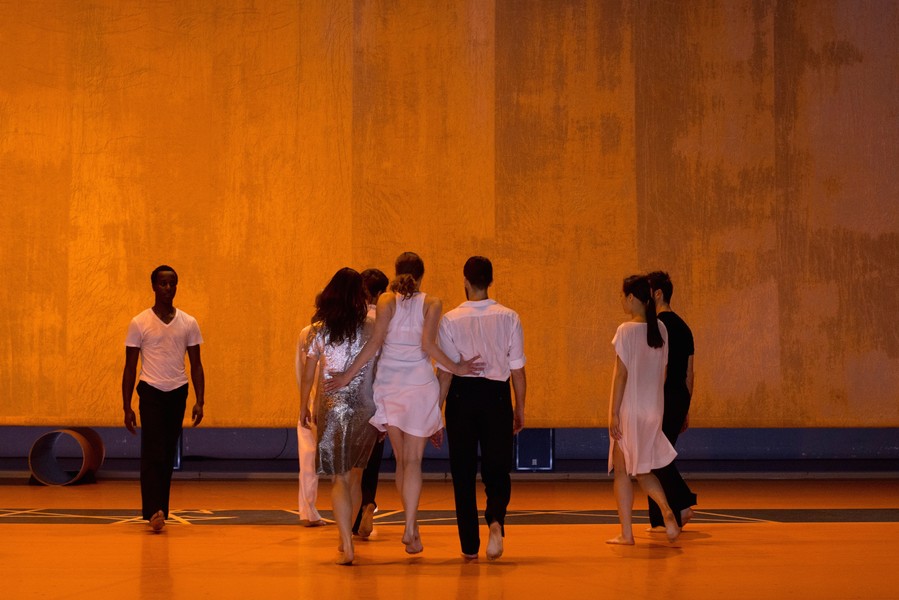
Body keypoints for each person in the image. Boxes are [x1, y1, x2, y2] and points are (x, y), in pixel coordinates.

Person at [325, 252, 481, 555]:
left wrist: (346, 376)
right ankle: (411, 527)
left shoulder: (386, 300)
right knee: (413, 462)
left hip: (391, 386)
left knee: (401, 460)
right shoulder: (432, 302)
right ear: (421, 276)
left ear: (396, 272)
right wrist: (458, 368)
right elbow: (428, 345)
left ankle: (412, 528)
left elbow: (374, 344)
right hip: (420, 385)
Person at [436, 256, 526, 561]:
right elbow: (518, 371)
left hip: (461, 397)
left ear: (465, 281)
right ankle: (496, 521)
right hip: (497, 396)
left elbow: (445, 373)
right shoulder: (509, 317)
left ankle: (469, 547)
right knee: (497, 467)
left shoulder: (450, 319)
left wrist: (435, 412)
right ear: (490, 281)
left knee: (462, 472)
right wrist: (520, 408)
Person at [299, 268, 379, 565]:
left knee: (339, 478)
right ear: (360, 294)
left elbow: (309, 373)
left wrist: (303, 406)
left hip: (331, 406)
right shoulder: (371, 326)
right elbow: (379, 368)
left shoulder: (319, 329)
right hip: (365, 407)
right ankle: (347, 536)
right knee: (356, 476)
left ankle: (346, 541)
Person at [122, 265, 205, 533]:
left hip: (178, 391)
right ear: (154, 287)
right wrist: (126, 406)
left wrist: (200, 400)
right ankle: (153, 510)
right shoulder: (139, 322)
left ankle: (161, 509)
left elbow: (196, 365)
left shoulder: (188, 322)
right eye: (163, 283)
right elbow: (130, 368)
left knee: (167, 452)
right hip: (150, 390)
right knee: (153, 451)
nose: (168, 288)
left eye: (172, 283)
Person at [607, 275, 680, 545]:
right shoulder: (661, 329)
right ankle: (667, 511)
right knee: (643, 469)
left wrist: (614, 413)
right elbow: (664, 373)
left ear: (630, 298)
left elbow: (621, 375)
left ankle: (626, 533)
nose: (622, 300)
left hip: (630, 410)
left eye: (622, 295)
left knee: (622, 471)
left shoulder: (625, 330)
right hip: (653, 410)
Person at [645, 271, 697, 531]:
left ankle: (683, 504)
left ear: (657, 294)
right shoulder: (684, 327)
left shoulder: (658, 326)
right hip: (679, 397)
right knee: (657, 454)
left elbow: (661, 369)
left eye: (646, 293)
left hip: (663, 397)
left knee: (654, 454)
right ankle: (660, 519)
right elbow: (690, 373)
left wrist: (651, 402)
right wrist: (685, 408)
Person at [353, 268, 390, 539]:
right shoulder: (386, 322)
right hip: (378, 396)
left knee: (352, 464)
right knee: (372, 460)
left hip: (353, 397)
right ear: (381, 293)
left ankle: (354, 516)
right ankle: (368, 501)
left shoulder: (351, 320)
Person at [295, 322, 325, 527]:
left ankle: (307, 512)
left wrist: (304, 403)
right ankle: (355, 513)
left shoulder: (307, 332)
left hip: (311, 401)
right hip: (337, 404)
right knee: (347, 469)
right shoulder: (350, 328)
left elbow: (302, 372)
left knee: (308, 460)